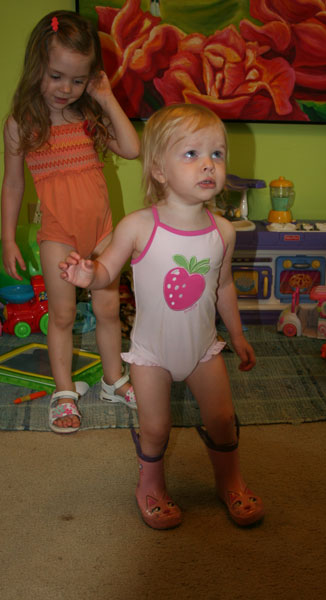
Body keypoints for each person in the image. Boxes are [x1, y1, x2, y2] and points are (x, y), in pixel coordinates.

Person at [59, 103, 264, 528]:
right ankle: (149, 486)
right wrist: (88, 275)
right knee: (156, 428)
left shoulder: (224, 231)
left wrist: (238, 336)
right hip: (151, 354)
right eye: (191, 153)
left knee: (222, 419)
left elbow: (223, 286)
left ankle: (230, 480)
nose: (208, 164)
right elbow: (106, 272)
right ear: (158, 170)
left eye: (217, 154)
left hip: (203, 350)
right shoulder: (138, 226)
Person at [1, 11, 140, 433]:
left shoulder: (89, 116)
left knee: (108, 308)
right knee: (61, 315)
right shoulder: (22, 125)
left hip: (102, 232)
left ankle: (114, 380)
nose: (66, 89)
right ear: (37, 67)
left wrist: (106, 98)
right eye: (56, 76)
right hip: (58, 235)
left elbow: (132, 148)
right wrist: (8, 239)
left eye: (78, 80)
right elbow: (13, 185)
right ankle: (64, 392)